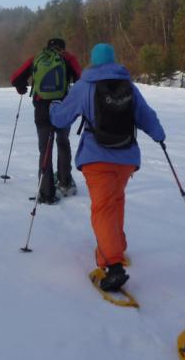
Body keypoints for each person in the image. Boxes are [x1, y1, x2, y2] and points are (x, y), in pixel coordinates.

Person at [49, 43, 165, 291]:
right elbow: (146, 115)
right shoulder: (128, 85)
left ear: (93, 61)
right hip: (126, 157)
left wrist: (53, 108)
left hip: (96, 157)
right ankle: (115, 248)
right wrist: (159, 135)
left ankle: (113, 266)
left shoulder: (84, 85)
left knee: (102, 209)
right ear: (114, 60)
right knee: (116, 201)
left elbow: (61, 119)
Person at [10, 37, 83, 204]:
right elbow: (81, 80)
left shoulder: (36, 58)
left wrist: (22, 87)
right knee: (63, 142)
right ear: (62, 48)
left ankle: (46, 192)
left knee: (45, 148)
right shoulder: (68, 58)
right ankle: (64, 182)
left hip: (42, 108)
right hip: (62, 107)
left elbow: (15, 78)